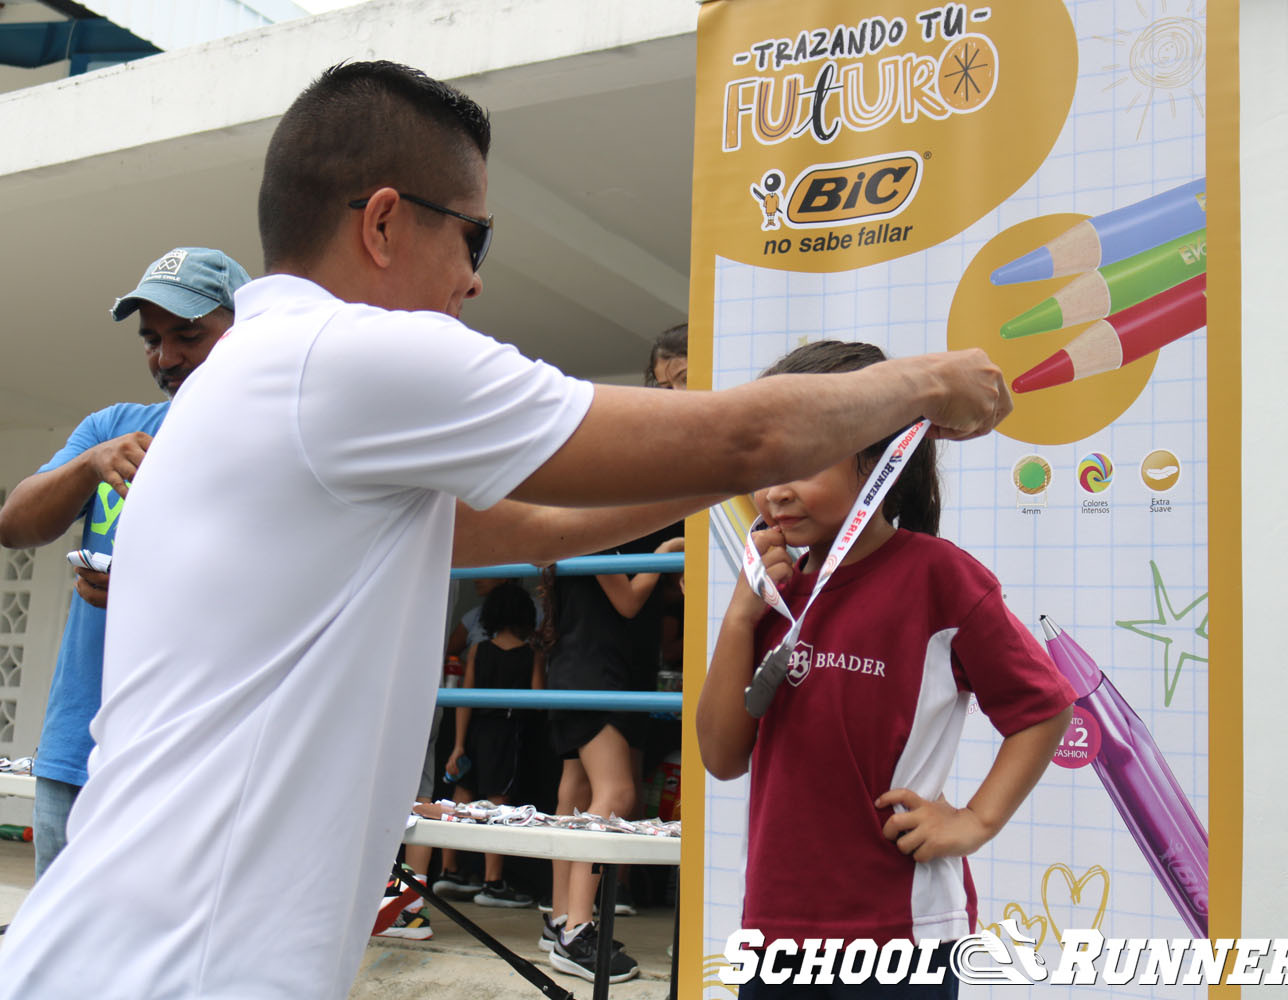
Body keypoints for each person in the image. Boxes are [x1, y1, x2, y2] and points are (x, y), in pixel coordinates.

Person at [0, 63, 1011, 999]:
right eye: (473, 238)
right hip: (181, 967)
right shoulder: (342, 359)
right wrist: (926, 383)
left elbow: (524, 522)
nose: (476, 279)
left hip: (135, 946)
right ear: (386, 222)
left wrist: (711, 476)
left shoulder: (265, 383)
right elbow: (745, 428)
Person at [696, 341, 1074, 998]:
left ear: (880, 459)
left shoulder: (939, 577)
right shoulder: (770, 591)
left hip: (903, 935)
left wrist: (976, 820)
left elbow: (1043, 706)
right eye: (770, 463)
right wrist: (738, 619)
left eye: (804, 460)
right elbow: (722, 756)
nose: (776, 489)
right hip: (774, 927)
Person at [0, 247, 249, 880]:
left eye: (188, 334)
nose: (166, 358)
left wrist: (152, 595)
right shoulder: (115, 427)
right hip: (75, 752)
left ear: (243, 328)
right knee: (62, 965)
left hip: (189, 763)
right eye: (152, 339)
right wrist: (88, 464)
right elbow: (15, 524)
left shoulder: (273, 447)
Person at [540, 533, 684, 982]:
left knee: (577, 791)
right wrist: (662, 556)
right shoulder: (589, 531)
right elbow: (628, 601)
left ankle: (563, 919)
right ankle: (578, 931)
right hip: (592, 674)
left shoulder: (576, 530)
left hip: (579, 671)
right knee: (617, 791)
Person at [449, 580, 544, 908]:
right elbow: (536, 698)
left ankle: (450, 868)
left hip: (475, 728)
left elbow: (466, 697)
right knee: (498, 800)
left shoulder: (477, 650)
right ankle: (493, 881)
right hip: (506, 729)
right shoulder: (530, 654)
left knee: (463, 790)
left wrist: (458, 744)